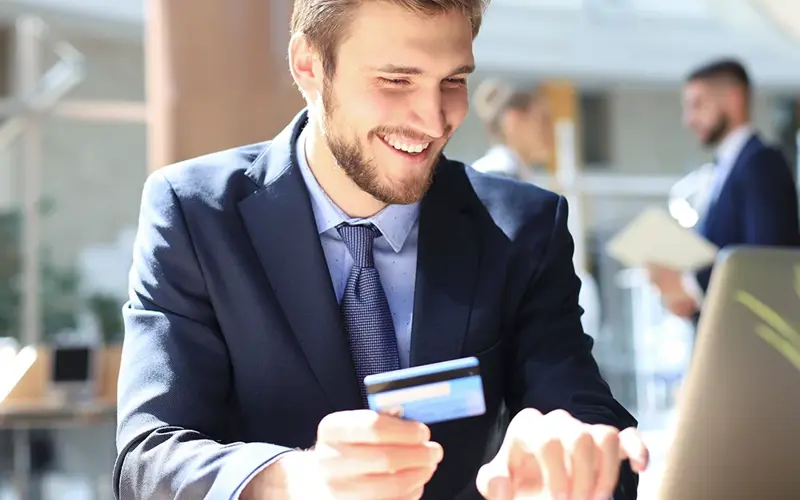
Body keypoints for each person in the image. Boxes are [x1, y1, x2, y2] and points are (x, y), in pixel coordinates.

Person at [114, 1, 648, 499]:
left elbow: (589, 414)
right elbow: (150, 457)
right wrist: (298, 477)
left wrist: (573, 451)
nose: (434, 120)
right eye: (396, 80)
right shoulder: (194, 213)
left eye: (453, 81)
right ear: (308, 65)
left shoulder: (523, 228)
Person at [649, 58, 800, 319]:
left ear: (733, 98)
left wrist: (690, 286)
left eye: (697, 104)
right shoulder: (724, 169)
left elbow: (764, 264)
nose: (689, 119)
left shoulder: (761, 163)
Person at [471, 78, 602, 340]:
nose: (549, 132)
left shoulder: (506, 177)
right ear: (512, 121)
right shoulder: (499, 180)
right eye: (541, 120)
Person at [471, 79, 553, 180]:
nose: (550, 130)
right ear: (514, 120)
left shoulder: (511, 174)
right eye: (543, 120)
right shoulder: (498, 176)